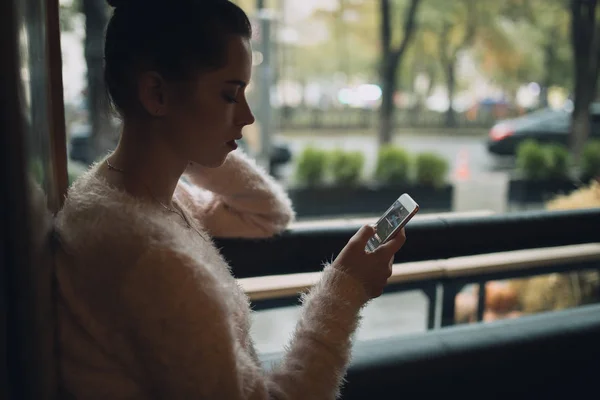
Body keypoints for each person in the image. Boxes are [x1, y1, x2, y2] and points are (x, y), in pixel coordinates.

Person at [53, 0, 407, 398]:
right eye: (229, 94)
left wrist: (190, 147)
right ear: (156, 93)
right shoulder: (146, 254)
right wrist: (347, 288)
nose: (248, 115)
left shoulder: (136, 197)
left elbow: (267, 214)